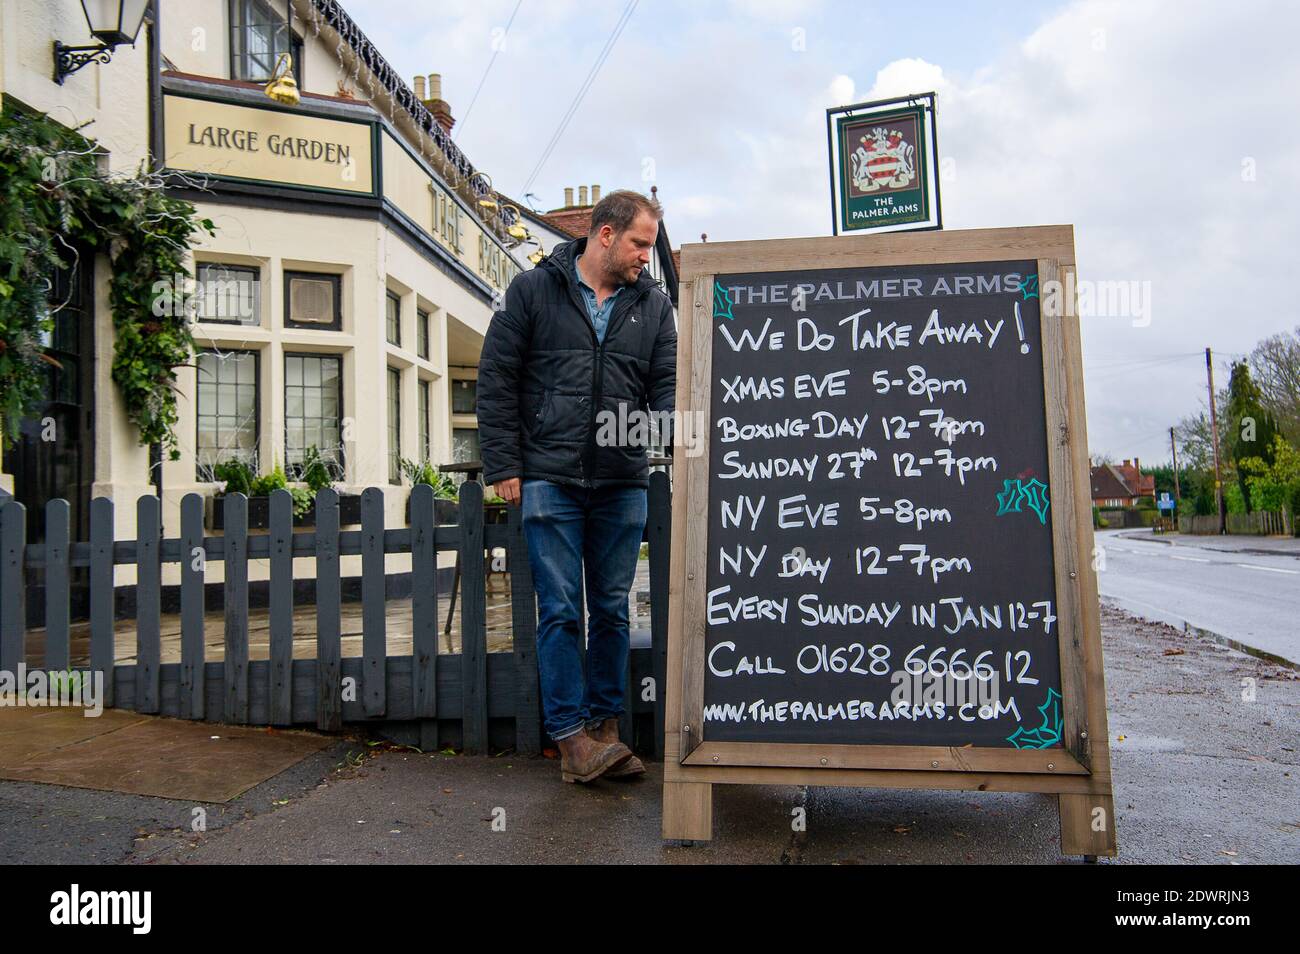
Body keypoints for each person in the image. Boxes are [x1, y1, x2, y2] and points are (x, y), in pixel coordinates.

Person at [477, 190, 676, 783]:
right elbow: (497, 377)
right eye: (640, 242)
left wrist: (667, 440)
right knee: (561, 610)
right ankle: (572, 742)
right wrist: (504, 465)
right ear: (606, 234)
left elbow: (666, 386)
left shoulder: (654, 307)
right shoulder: (534, 290)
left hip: (622, 481)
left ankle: (606, 731)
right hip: (549, 478)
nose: (647, 255)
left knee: (612, 610)